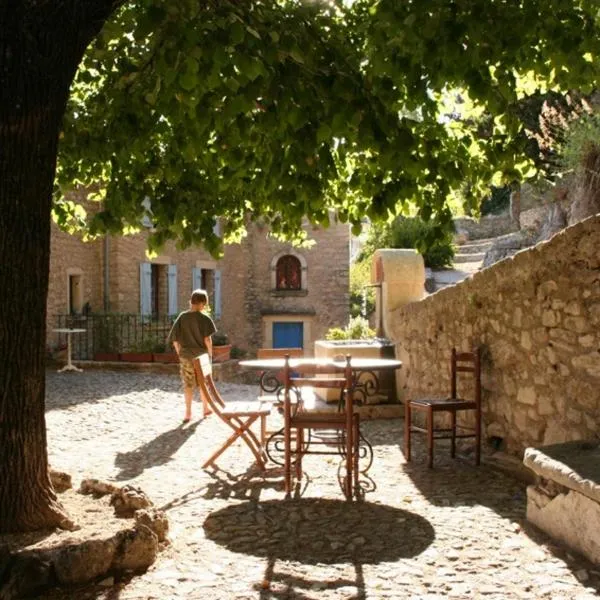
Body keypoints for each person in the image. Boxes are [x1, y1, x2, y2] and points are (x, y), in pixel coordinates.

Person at [167, 289, 217, 423]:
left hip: (186, 357)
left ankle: (188, 413)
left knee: (188, 384)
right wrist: (211, 354)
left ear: (192, 301)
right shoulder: (205, 319)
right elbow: (207, 340)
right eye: (204, 304)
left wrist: (180, 354)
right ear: (201, 303)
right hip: (202, 357)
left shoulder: (182, 317)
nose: (204, 306)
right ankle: (205, 409)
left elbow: (175, 340)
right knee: (204, 383)